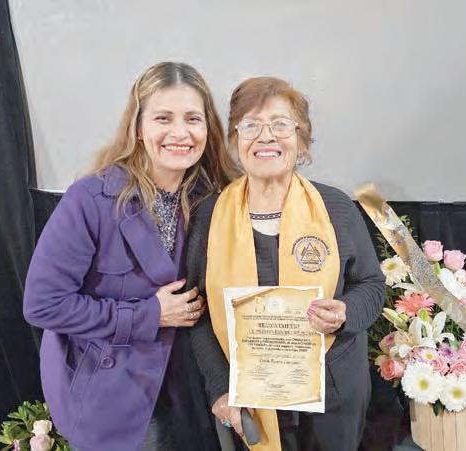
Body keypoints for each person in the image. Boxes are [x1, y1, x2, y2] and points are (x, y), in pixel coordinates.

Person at [23, 62, 238, 450]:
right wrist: (149, 315)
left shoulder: (215, 199)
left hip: (190, 395)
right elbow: (44, 305)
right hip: (115, 396)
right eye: (163, 118)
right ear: (138, 127)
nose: (180, 132)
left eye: (193, 118)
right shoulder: (90, 199)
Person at [186, 76, 386, 450]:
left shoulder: (336, 208)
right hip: (247, 402)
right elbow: (196, 312)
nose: (266, 137)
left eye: (280, 124)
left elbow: (372, 286)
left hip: (333, 399)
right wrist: (219, 388)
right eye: (251, 125)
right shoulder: (209, 216)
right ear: (235, 139)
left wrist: (344, 312)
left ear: (301, 138)